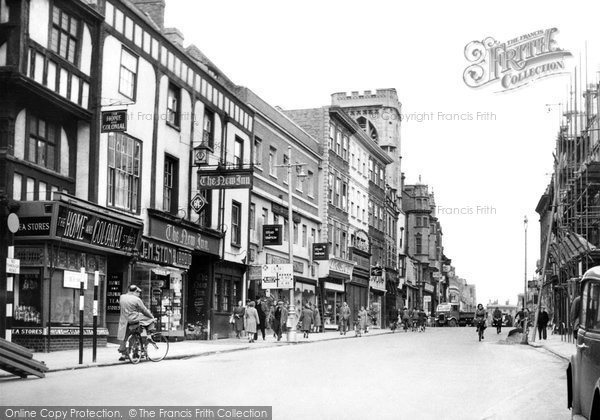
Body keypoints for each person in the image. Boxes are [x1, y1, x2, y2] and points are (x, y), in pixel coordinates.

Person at [117, 285, 156, 361]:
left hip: (124, 320)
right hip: (134, 319)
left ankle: (124, 355)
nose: (139, 294)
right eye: (138, 292)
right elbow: (144, 310)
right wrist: (151, 316)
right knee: (151, 319)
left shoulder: (122, 297)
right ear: (135, 291)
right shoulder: (137, 299)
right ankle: (149, 335)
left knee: (125, 337)